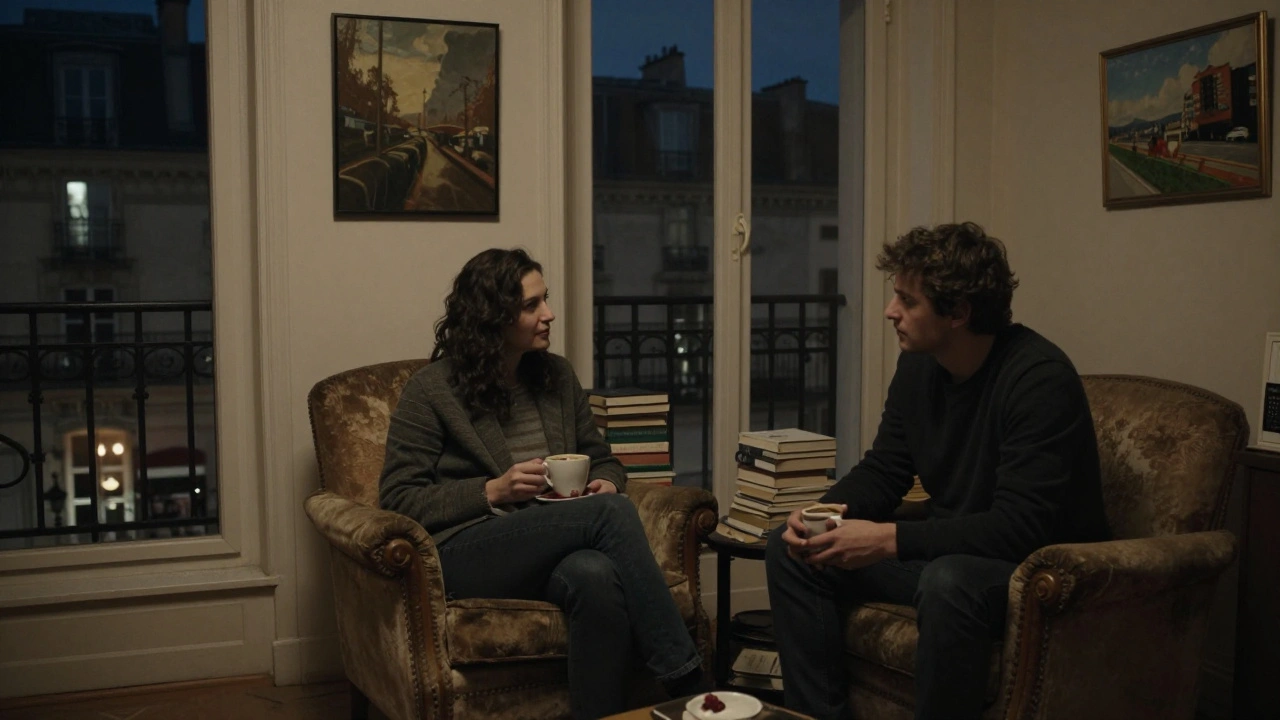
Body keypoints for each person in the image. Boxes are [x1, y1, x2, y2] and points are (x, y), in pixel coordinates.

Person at [765, 222, 1110, 720]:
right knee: (791, 549)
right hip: (952, 553)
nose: (891, 311)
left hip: (1038, 571)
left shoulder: (1039, 381)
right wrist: (821, 514)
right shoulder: (919, 366)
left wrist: (887, 540)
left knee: (950, 582)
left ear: (958, 313)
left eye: (908, 301)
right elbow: (886, 469)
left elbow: (1019, 528)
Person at [379, 248, 705, 719]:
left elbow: (602, 460)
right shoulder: (431, 390)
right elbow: (399, 499)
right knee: (610, 515)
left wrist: (605, 483)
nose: (549, 314)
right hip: (465, 550)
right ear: (492, 317)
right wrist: (493, 491)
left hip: (551, 540)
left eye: (545, 299)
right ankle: (688, 683)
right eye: (532, 305)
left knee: (595, 575)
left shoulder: (557, 377)